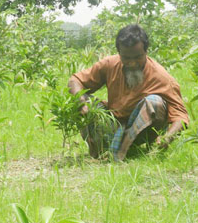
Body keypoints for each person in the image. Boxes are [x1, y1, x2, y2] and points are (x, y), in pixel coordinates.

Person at [68, 24, 190, 160]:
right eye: (126, 58)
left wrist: (168, 137)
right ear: (119, 53)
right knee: (81, 98)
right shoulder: (109, 64)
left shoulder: (161, 77)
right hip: (114, 124)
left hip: (142, 130)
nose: (132, 63)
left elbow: (180, 117)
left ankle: (126, 150)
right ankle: (100, 148)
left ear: (146, 52)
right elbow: (75, 80)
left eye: (137, 57)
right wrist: (81, 103)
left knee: (154, 102)